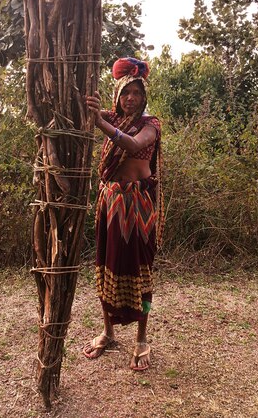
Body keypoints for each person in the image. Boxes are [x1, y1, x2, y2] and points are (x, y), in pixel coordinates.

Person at [84, 57, 164, 371]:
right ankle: (108, 332)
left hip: (139, 205)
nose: (130, 97)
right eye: (124, 92)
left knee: (141, 269)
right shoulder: (114, 117)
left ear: (144, 96)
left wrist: (101, 123)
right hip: (111, 203)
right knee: (106, 265)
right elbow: (84, 114)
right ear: (117, 96)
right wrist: (90, 105)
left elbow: (133, 146)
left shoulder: (150, 124)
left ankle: (142, 339)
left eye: (136, 92)